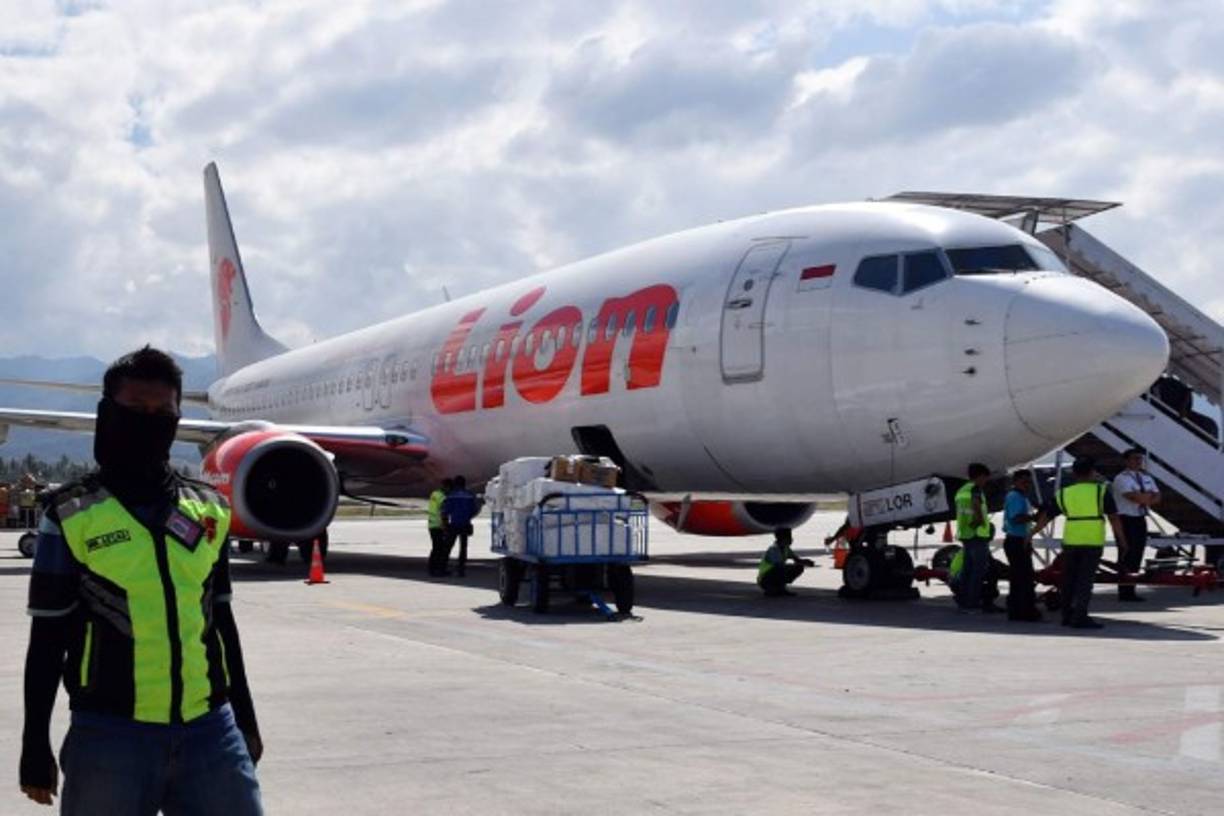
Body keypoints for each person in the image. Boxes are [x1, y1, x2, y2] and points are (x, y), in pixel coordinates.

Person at [18, 347, 263, 813]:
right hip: (110, 735)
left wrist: (245, 720)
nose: (150, 422)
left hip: (209, 731)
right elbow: (47, 639)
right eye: (135, 410)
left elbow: (222, 625)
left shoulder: (209, 509)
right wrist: (34, 744)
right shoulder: (69, 515)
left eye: (162, 412)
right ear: (108, 414)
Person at [1040, 457, 1128, 630]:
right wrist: (1122, 541)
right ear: (1092, 472)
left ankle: (1067, 615)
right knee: (1084, 581)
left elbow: (1047, 516)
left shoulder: (1065, 492)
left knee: (1068, 580)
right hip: (1091, 541)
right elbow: (1114, 518)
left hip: (1071, 540)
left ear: (1074, 473)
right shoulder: (1100, 491)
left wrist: (1032, 533)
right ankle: (1080, 617)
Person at [1112, 448, 1160, 602]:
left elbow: (1157, 497)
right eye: (1134, 459)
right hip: (1126, 519)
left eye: (1140, 459)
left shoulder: (1146, 477)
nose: (1138, 461)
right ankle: (1124, 590)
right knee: (1126, 553)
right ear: (1126, 461)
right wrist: (1146, 498)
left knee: (1138, 553)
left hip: (1140, 517)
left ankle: (1131, 589)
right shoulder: (1121, 478)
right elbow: (1132, 497)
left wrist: (1145, 498)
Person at [953, 463, 1000, 614]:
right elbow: (977, 511)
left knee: (967, 570)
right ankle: (972, 603)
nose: (985, 481)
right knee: (977, 572)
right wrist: (978, 522)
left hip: (965, 534)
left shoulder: (961, 491)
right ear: (979, 476)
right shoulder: (975, 490)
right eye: (985, 477)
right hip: (977, 535)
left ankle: (963, 601)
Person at [1002, 470, 1042, 621]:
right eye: (1024, 482)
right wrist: (1034, 517)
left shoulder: (1022, 497)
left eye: (1029, 482)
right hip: (1015, 541)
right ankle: (1021, 610)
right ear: (1016, 482)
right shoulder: (1015, 497)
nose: (1027, 485)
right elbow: (1016, 518)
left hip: (1021, 540)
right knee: (1021, 578)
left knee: (1022, 577)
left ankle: (1020, 609)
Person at [441, 476, 480, 577]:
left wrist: (445, 524)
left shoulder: (451, 495)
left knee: (448, 547)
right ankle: (461, 569)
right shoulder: (469, 495)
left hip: (454, 524)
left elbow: (445, 511)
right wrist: (468, 517)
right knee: (463, 548)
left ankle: (443, 567)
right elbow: (475, 509)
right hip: (465, 523)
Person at [757, 528, 814, 597]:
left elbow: (796, 559)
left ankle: (780, 588)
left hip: (775, 573)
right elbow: (779, 565)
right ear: (782, 539)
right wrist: (800, 563)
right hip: (765, 578)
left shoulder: (786, 548)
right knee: (781, 569)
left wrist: (806, 562)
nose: (791, 540)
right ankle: (771, 588)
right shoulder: (774, 549)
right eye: (789, 538)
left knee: (798, 567)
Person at [426, 478, 453, 576]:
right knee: (439, 549)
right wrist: (446, 527)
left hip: (432, 524)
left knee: (435, 548)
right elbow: (443, 513)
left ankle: (432, 568)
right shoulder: (442, 497)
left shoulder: (434, 494)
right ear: (447, 487)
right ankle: (438, 569)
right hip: (438, 525)